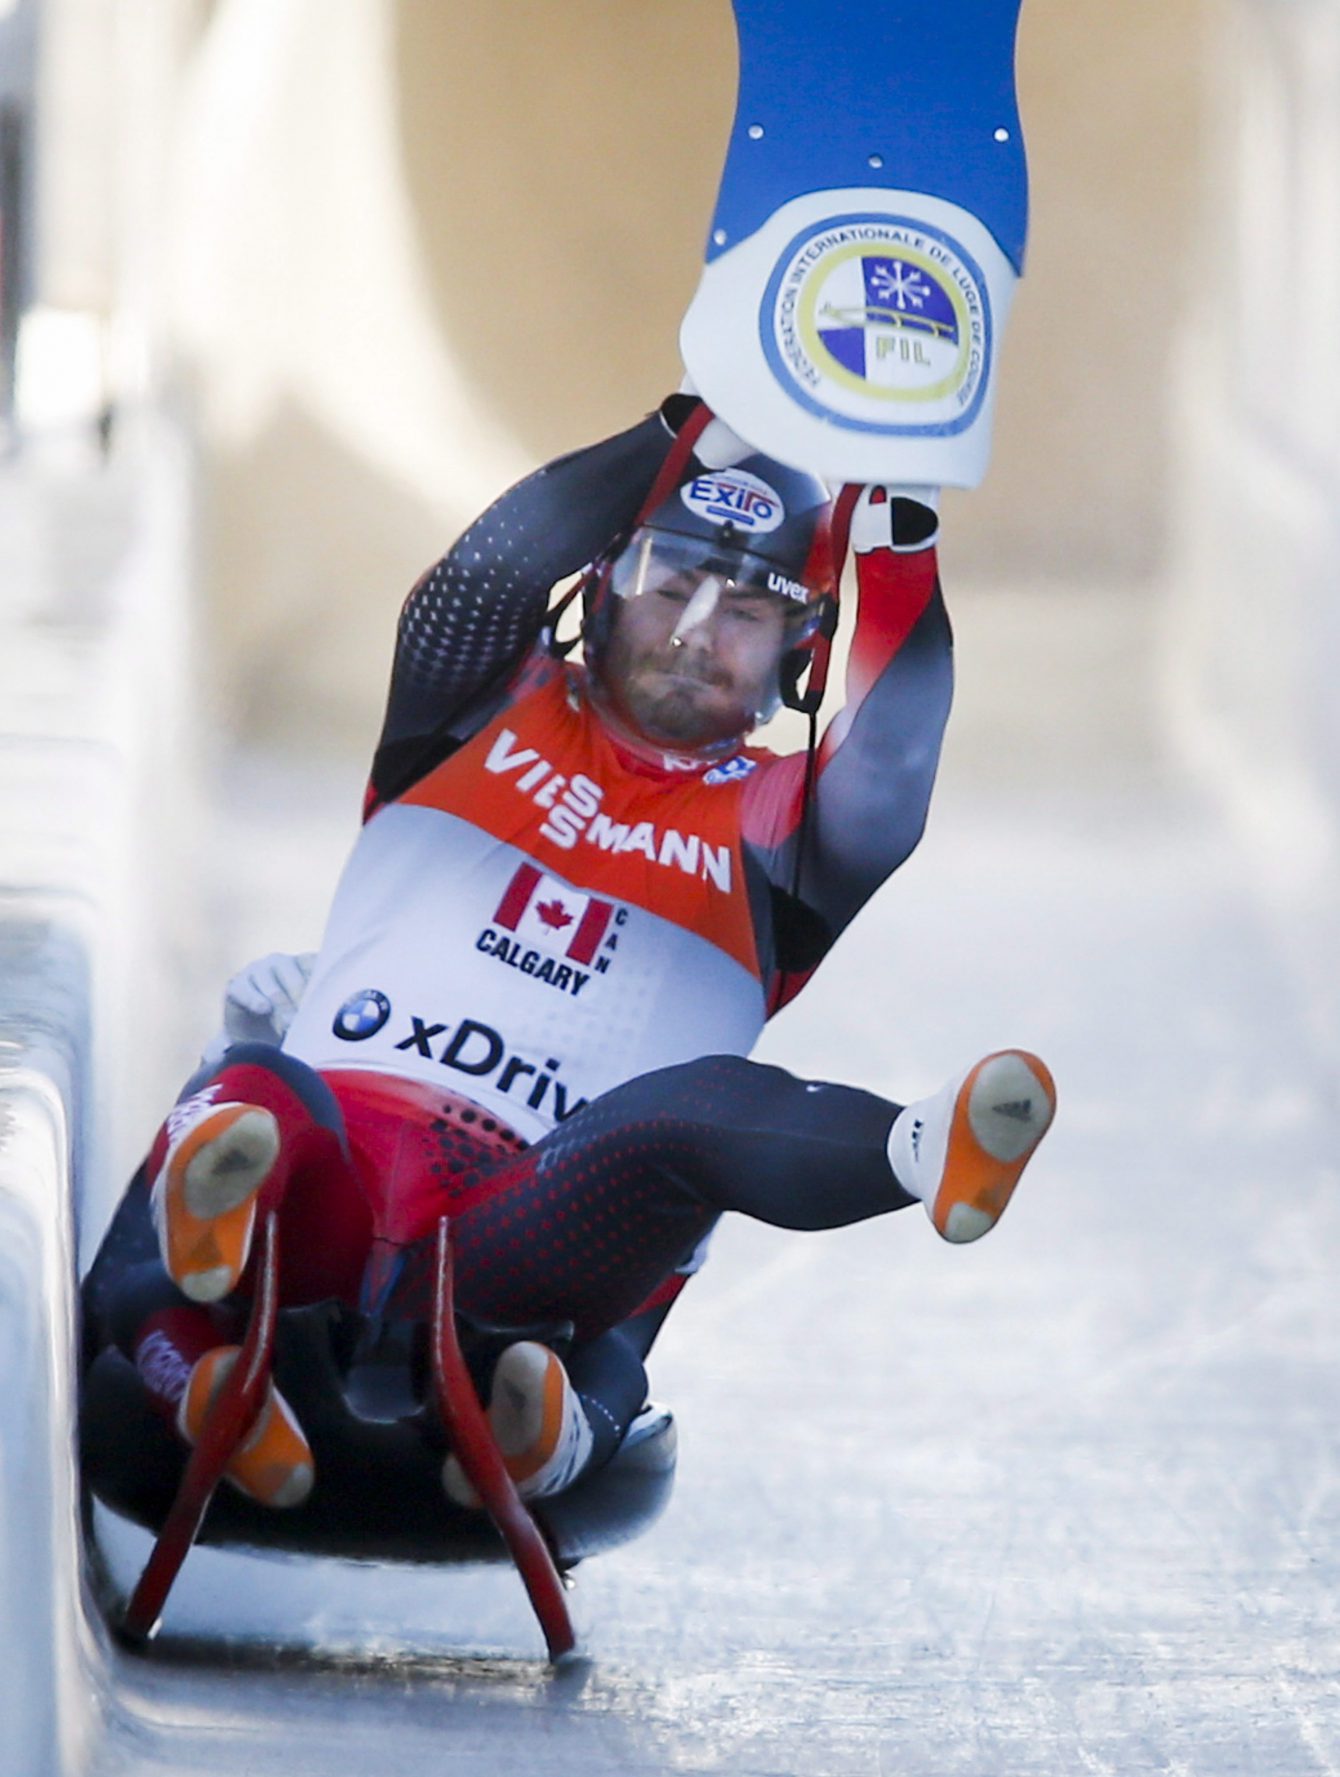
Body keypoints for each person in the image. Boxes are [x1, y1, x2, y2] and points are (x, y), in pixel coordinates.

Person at [82, 393, 1055, 1516]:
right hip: (336, 1168)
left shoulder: (779, 830)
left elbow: (887, 773)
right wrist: (688, 416)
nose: (694, 630)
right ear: (597, 588)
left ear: (801, 653)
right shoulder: (480, 706)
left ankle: (913, 1150)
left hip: (532, 1218)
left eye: (747, 607)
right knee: (259, 1091)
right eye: (666, 582)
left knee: (694, 1111)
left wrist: (899, 550)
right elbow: (477, 582)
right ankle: (209, 1253)